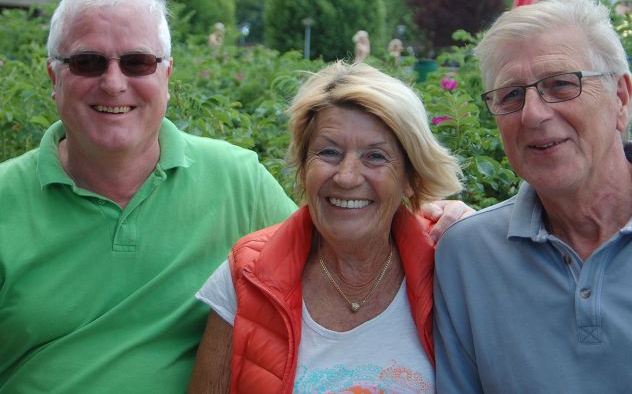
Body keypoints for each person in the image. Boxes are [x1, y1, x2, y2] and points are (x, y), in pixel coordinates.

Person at [0, 0, 469, 393]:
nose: (114, 83)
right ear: (54, 76)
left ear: (167, 75)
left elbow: (338, 229)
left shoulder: (235, 179)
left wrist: (440, 218)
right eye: (87, 63)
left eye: (137, 62)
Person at [433, 0, 632, 393]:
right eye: (511, 95)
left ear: (621, 98)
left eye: (561, 84)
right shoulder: (468, 257)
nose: (532, 114)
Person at [189, 61, 464, 392]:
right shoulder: (247, 275)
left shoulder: (450, 266)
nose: (346, 177)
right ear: (304, 168)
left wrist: (477, 233)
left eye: (375, 156)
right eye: (329, 152)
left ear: (410, 178)